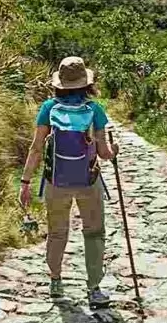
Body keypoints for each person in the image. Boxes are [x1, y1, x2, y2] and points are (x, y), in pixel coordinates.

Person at [18, 55, 118, 306]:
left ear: (59, 83)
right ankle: (94, 288)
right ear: (86, 83)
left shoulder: (48, 108)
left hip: (56, 182)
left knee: (57, 232)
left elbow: (36, 148)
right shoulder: (94, 109)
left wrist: (25, 181)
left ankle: (55, 282)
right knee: (94, 233)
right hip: (88, 181)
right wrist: (114, 150)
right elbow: (104, 153)